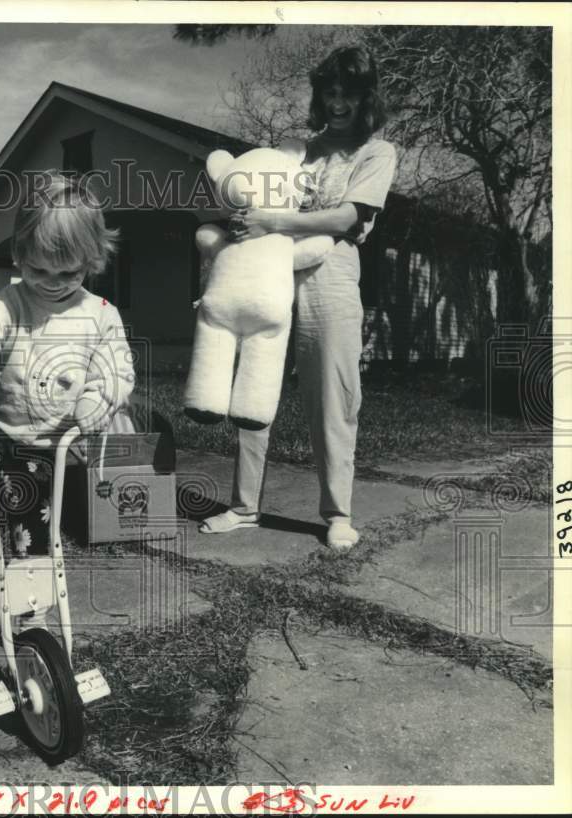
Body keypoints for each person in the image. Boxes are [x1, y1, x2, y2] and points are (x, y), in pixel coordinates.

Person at [198, 45, 397, 551]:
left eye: (347, 94)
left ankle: (338, 513)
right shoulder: (297, 150)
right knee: (253, 388)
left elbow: (346, 218)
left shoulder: (376, 153)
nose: (336, 103)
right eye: (329, 93)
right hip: (268, 272)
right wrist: (239, 221)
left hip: (330, 276)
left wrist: (273, 220)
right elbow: (249, 197)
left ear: (365, 99)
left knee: (333, 397)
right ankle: (244, 506)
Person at [0, 171, 136, 560]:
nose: (52, 283)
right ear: (20, 255)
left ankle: (30, 611)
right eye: (39, 271)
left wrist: (96, 401)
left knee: (32, 531)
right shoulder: (6, 305)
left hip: (47, 448)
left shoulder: (102, 314)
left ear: (91, 261)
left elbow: (116, 371)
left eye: (68, 273)